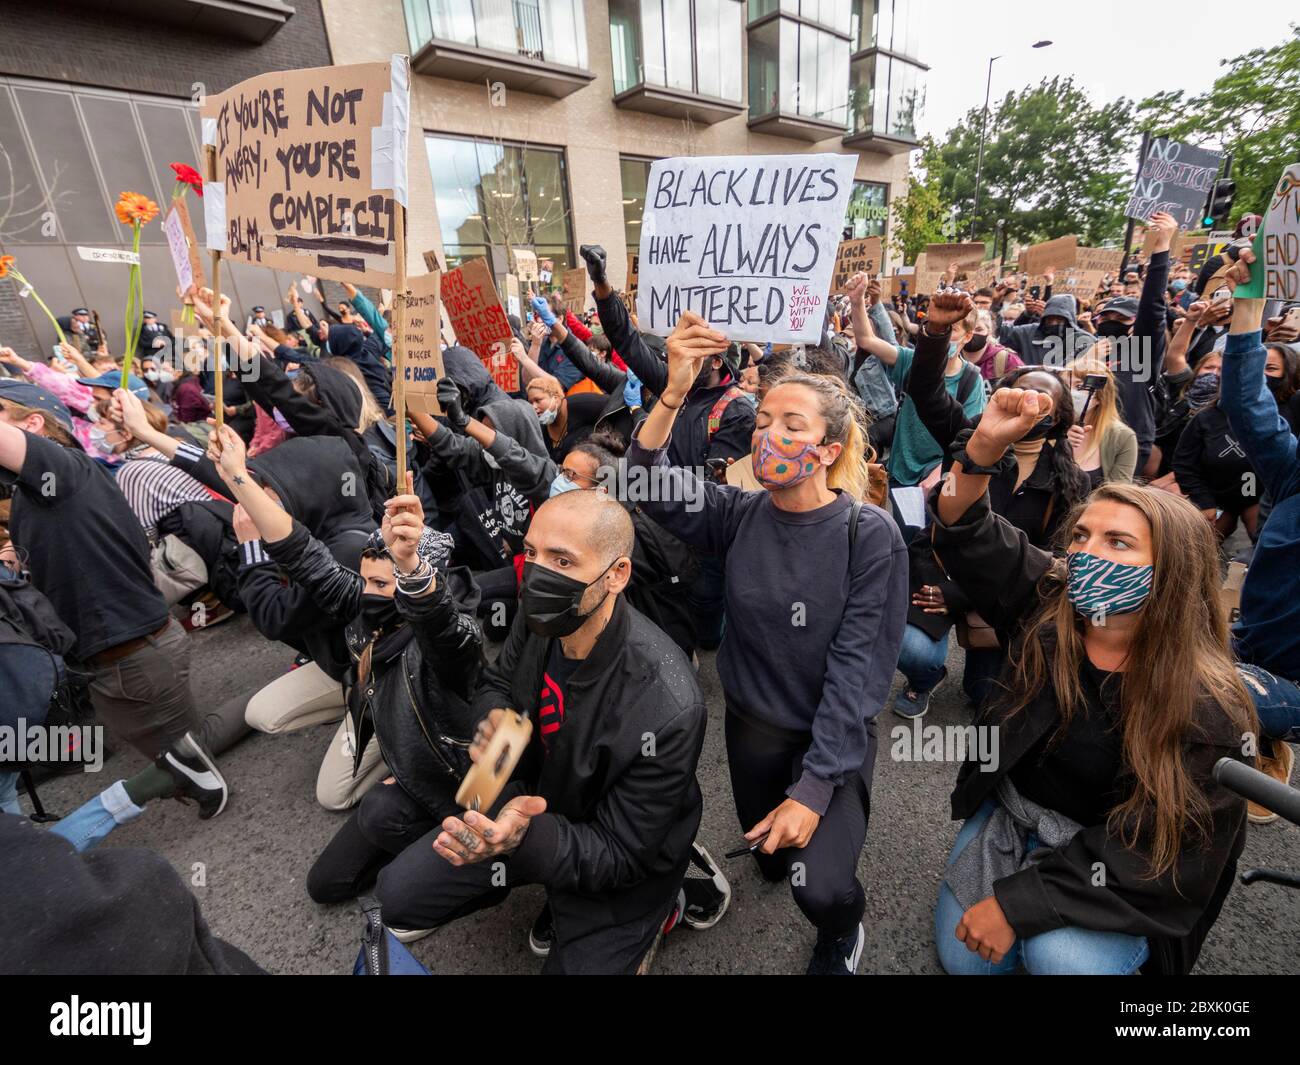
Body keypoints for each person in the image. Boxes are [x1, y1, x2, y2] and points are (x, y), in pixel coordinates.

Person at [931, 385, 1257, 975]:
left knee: (1062, 959)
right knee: (965, 961)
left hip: (1121, 861)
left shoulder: (1208, 703)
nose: (1086, 554)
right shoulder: (1048, 604)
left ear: (1171, 573)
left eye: (1119, 543)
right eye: (1081, 536)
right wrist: (978, 453)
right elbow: (963, 526)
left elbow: (1164, 849)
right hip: (1016, 814)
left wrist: (1020, 905)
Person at [627, 311, 909, 975]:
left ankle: (843, 930)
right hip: (752, 727)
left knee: (820, 885)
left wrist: (814, 788)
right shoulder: (736, 512)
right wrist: (672, 392)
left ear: (830, 447)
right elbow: (642, 478)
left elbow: (859, 673)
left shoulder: (868, 537)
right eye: (762, 421)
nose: (769, 435)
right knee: (770, 857)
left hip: (829, 737)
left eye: (791, 425)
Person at [373, 490, 709, 975]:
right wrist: (493, 730)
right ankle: (549, 885)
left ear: (617, 575)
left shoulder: (668, 704)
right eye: (531, 553)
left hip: (616, 850)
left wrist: (522, 841)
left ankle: (660, 910)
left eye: (563, 559)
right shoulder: (543, 621)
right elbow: (497, 683)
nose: (537, 574)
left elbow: (621, 853)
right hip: (532, 802)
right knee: (398, 896)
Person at [0, 378, 229, 815]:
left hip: (133, 663)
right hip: (125, 660)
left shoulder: (58, 470)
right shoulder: (44, 488)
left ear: (33, 425)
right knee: (185, 744)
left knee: (188, 760)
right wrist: (23, 557)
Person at [1217, 248, 1300, 816]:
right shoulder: (1295, 471)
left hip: (1289, 682)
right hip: (1246, 644)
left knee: (1189, 695)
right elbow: (1246, 404)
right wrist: (1249, 301)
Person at [852, 280, 987, 488]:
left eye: (953, 329)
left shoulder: (971, 382)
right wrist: (857, 300)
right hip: (899, 470)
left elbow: (967, 440)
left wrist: (939, 473)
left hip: (934, 479)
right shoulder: (910, 360)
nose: (946, 334)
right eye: (942, 326)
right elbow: (866, 340)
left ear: (968, 336)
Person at [1062, 357, 1138, 487]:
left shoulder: (1122, 437)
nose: (1070, 392)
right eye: (1064, 385)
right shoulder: (1046, 428)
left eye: (1079, 386)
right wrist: (1057, 444)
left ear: (1100, 397)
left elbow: (1118, 492)